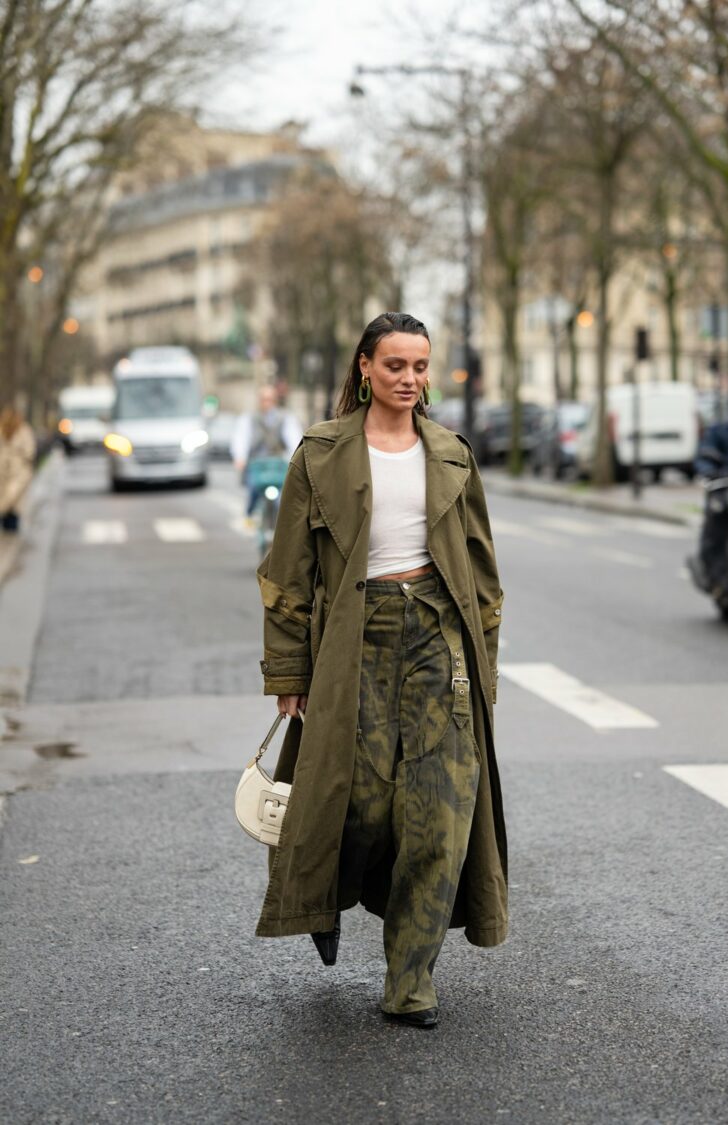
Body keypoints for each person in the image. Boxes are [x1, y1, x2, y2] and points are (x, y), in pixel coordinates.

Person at [254, 312, 507, 1029]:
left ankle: (410, 980)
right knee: (358, 801)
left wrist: (484, 663)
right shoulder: (321, 453)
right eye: (395, 365)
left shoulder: (452, 453)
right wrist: (287, 669)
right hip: (353, 637)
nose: (410, 379)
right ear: (364, 367)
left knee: (439, 816)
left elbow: (484, 573)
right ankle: (324, 891)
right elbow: (286, 575)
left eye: (421, 366)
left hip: (436, 631)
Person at [691, 376, 728, 588]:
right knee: (717, 521)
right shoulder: (720, 431)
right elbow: (705, 457)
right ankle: (715, 576)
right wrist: (710, 472)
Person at [231, 385, 302, 519]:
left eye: (270, 399)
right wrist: (240, 457)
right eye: (264, 399)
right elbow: (241, 438)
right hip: (257, 463)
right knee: (253, 490)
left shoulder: (285, 418)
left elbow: (294, 439)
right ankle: (249, 515)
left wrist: (296, 457)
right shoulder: (249, 419)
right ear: (259, 401)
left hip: (278, 464)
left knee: (284, 495)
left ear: (275, 400)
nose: (267, 403)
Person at [0, 406, 36, 533]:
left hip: (18, 472)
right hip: (4, 472)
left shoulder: (24, 431)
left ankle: (10, 531)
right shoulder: (2, 430)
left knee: (12, 502)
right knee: (7, 502)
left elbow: (29, 451)